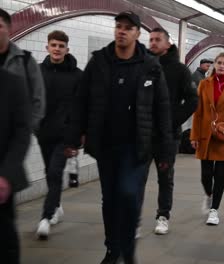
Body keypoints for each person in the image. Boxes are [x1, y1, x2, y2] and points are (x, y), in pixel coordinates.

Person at [64, 11, 174, 264]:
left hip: (136, 146)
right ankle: (113, 248)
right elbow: (81, 100)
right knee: (110, 198)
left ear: (137, 33)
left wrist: (166, 151)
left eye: (127, 28)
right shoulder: (99, 62)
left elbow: (162, 108)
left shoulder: (149, 65)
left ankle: (126, 248)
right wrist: (73, 137)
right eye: (118, 26)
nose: (121, 31)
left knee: (128, 193)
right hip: (105, 144)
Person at [139, 27, 198, 235]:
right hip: (143, 135)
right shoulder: (142, 66)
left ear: (168, 43)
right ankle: (134, 220)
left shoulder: (180, 70)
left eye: (157, 40)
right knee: (138, 177)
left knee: (165, 177)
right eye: (151, 39)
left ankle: (163, 216)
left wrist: (172, 121)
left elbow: (192, 99)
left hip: (167, 137)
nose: (153, 43)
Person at [34, 30, 83, 240]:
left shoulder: (77, 75)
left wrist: (81, 132)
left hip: (65, 134)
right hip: (43, 133)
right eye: (53, 45)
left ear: (67, 49)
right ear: (47, 47)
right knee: (49, 172)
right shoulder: (36, 72)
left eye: (61, 46)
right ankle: (57, 205)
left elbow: (82, 106)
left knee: (54, 172)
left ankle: (46, 217)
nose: (57, 49)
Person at [190, 52, 224, 226]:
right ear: (214, 65)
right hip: (206, 135)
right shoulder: (204, 84)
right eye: (219, 63)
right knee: (205, 175)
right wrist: (194, 135)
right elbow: (197, 113)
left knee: (219, 174)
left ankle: (214, 210)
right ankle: (209, 194)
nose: (221, 66)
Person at [0, 68, 31, 264]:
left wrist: (6, 175)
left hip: (1, 178)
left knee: (4, 241)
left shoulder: (13, 83)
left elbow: (22, 133)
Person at [0, 8, 45, 131]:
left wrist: (25, 130)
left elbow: (38, 98)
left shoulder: (25, 61)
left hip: (13, 137)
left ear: (9, 29)